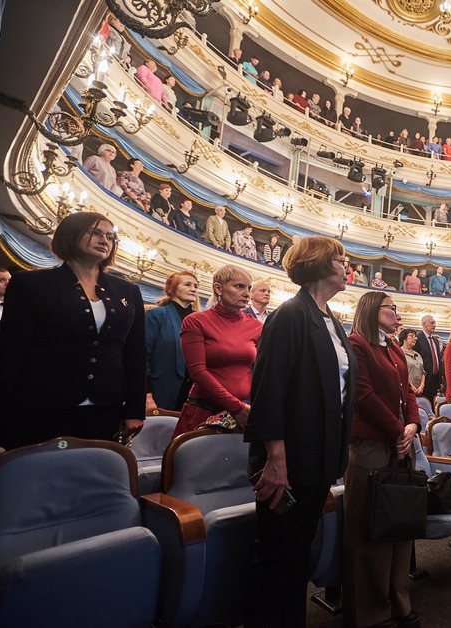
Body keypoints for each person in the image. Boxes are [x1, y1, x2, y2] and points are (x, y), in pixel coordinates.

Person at [244, 237, 354, 627]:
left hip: (319, 455)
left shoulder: (331, 319)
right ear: (322, 265)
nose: (347, 267)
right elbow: (268, 390)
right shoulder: (291, 314)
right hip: (289, 459)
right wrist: (275, 459)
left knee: (298, 550)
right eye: (342, 260)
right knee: (276, 554)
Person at [0, 212, 145, 451]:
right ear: (70, 235)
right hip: (39, 408)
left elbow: (135, 354)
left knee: (91, 482)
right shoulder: (30, 285)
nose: (105, 239)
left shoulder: (127, 290)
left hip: (104, 409)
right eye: (95, 232)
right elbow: (8, 356)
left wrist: (135, 409)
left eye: (110, 236)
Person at [342, 291, 420, 627]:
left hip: (399, 443)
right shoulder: (356, 343)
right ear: (374, 309)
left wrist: (413, 425)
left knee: (399, 525)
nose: (397, 313)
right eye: (392, 307)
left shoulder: (393, 347)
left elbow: (409, 393)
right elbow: (363, 395)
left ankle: (399, 602)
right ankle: (371, 613)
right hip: (372, 444)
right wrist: (397, 431)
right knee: (369, 530)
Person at [171, 265, 263, 437]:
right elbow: (197, 372)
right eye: (239, 286)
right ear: (218, 288)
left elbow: (260, 371)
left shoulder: (256, 326)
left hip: (245, 412)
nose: (247, 294)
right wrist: (236, 407)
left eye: (249, 288)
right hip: (205, 410)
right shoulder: (196, 321)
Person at [145, 271, 199, 412]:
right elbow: (142, 357)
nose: (193, 289)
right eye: (187, 284)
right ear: (171, 289)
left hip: (192, 395)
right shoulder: (156, 315)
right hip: (160, 391)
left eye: (195, 286)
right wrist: (146, 394)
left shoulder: (200, 320)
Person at [415, 315, 444, 402]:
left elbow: (438, 360)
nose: (434, 325)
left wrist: (440, 381)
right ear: (424, 324)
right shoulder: (418, 338)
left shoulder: (435, 340)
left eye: (434, 323)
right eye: (432, 323)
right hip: (423, 380)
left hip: (435, 380)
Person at [400, 328, 425, 397]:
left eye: (415, 337)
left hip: (419, 390)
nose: (415, 339)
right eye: (411, 336)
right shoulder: (399, 353)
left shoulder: (418, 355)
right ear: (404, 338)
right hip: (405, 391)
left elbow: (423, 372)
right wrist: (411, 387)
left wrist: (422, 385)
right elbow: (399, 373)